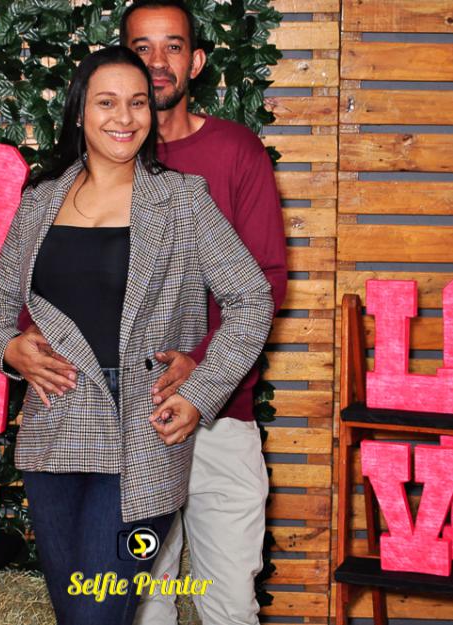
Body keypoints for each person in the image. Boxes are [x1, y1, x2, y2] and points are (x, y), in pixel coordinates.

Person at [0, 45, 274, 625]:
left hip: (144, 430)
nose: (125, 117)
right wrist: (9, 347)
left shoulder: (183, 199)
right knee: (76, 614)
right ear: (79, 112)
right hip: (55, 426)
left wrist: (200, 391)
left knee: (97, 614)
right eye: (107, 102)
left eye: (138, 103)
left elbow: (251, 298)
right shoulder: (40, 200)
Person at [120, 3, 288, 625]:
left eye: (172, 46)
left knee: (230, 604)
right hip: (133, 420)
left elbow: (265, 280)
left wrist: (202, 372)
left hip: (223, 416)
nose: (157, 62)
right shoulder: (103, 160)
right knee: (143, 602)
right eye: (142, 48)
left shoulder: (236, 151)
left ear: (195, 62)